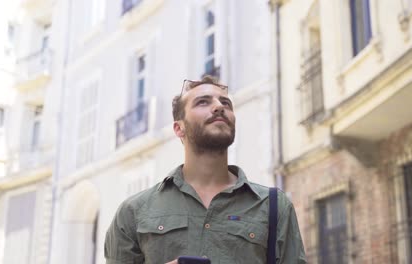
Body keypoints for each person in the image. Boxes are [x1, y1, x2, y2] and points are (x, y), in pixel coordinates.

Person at [104, 76, 307, 264]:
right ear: (178, 128)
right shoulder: (132, 213)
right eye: (203, 102)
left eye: (226, 103)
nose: (219, 107)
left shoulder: (275, 207)